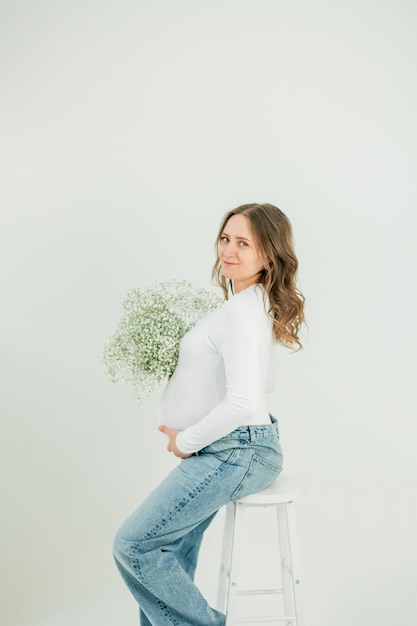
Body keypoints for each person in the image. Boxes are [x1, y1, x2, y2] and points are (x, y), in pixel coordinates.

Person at [113, 202, 305, 626]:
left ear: (269, 254)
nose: (229, 251)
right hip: (243, 449)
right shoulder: (253, 303)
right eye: (225, 239)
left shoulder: (240, 310)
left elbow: (242, 400)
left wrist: (186, 439)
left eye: (243, 243)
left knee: (134, 546)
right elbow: (264, 384)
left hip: (235, 451)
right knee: (171, 550)